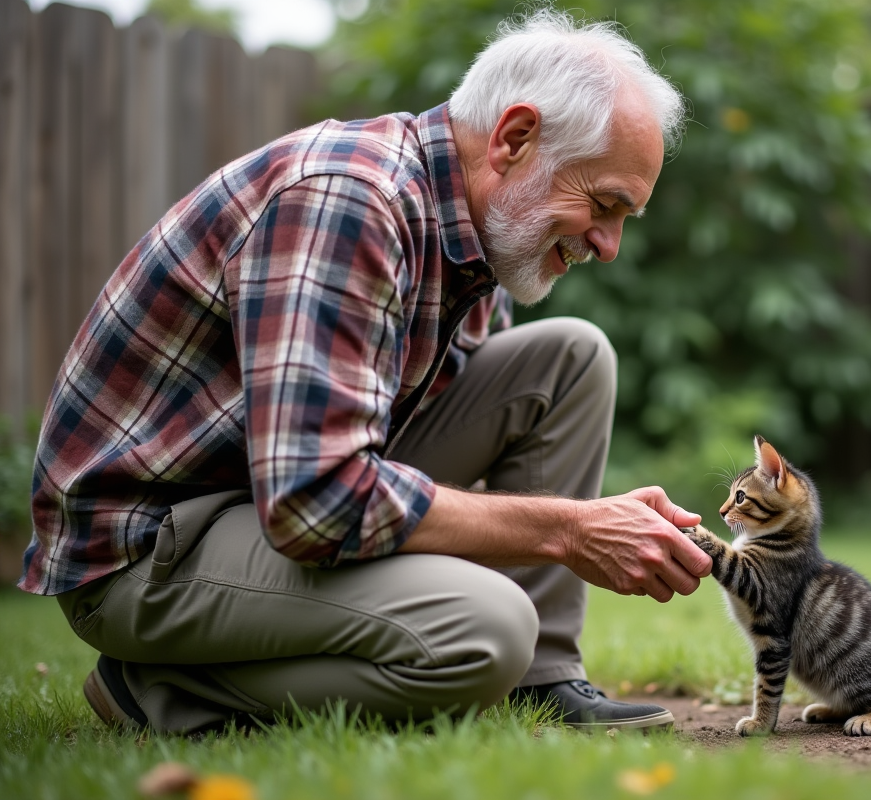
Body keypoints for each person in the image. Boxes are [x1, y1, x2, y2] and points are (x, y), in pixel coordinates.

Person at [18, 9, 712, 735]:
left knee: (571, 358)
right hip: (148, 552)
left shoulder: (479, 236)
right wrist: (568, 530)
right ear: (514, 139)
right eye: (604, 205)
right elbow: (315, 500)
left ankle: (544, 681)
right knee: (488, 627)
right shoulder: (349, 199)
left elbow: (372, 480)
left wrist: (541, 531)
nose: (609, 245)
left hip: (258, 503)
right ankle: (161, 691)